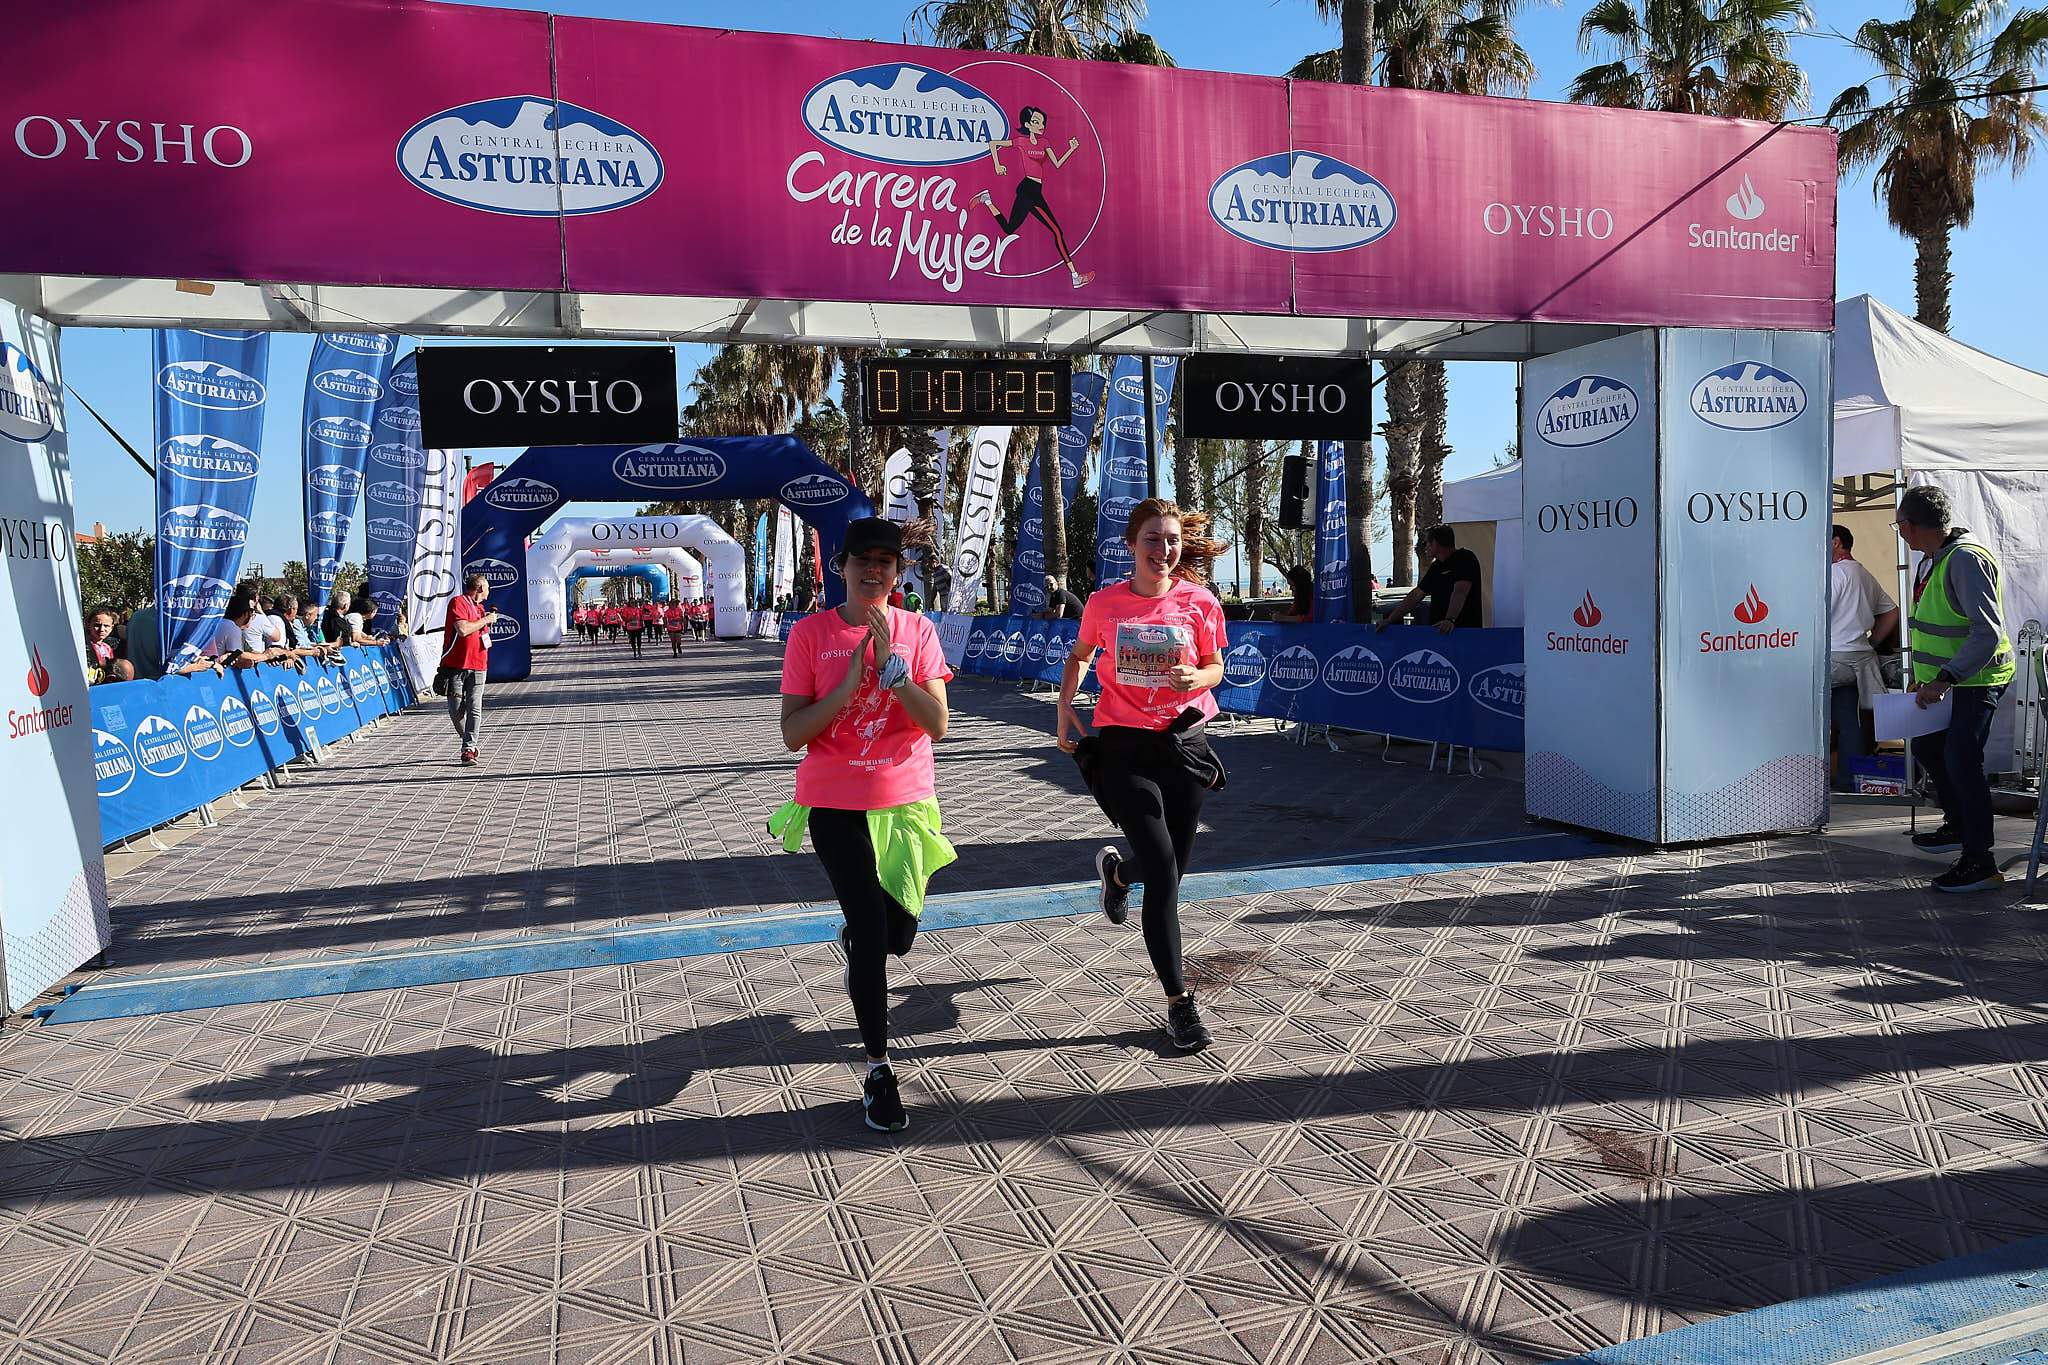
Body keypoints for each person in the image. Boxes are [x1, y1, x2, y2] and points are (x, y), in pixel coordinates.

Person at [773, 517, 954, 1133]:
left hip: (904, 802)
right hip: (834, 802)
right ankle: (879, 1069)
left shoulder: (918, 629)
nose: (873, 571)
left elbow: (937, 725)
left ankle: (861, 939)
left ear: (898, 573)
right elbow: (794, 733)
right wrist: (850, 681)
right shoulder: (811, 634)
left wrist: (893, 671)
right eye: (862, 561)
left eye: (886, 562)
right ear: (841, 567)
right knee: (872, 927)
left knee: (896, 935)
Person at [1056, 497, 1230, 1053]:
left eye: (1172, 539)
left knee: (1169, 871)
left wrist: (1194, 677)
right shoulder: (1105, 604)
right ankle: (1180, 1002)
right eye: (1152, 538)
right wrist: (1064, 708)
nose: (1164, 549)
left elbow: (1216, 666)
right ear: (1131, 545)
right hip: (1123, 747)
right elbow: (1081, 656)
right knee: (1162, 867)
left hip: (1183, 742)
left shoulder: (1200, 601)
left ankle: (1118, 876)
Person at [1896, 486, 2015, 892]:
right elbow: (1936, 625)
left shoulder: (1964, 560)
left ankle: (1980, 860)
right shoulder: (1932, 559)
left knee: (1963, 761)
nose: (1899, 533)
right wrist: (1926, 675)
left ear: (1909, 526)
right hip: (1946, 680)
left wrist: (1946, 678)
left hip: (1977, 678)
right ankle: (1958, 823)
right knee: (1930, 749)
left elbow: (1987, 633)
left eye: (1898, 524)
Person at [973, 106, 1094, 289]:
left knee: (1009, 229)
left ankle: (987, 199)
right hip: (1028, 190)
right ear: (1028, 124)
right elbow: (993, 144)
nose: (1041, 125)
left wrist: (1071, 149)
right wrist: (997, 165)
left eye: (1042, 122)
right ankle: (1075, 276)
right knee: (1056, 231)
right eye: (1036, 122)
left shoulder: (1044, 142)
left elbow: (1058, 164)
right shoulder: (1021, 141)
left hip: (1034, 191)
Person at [1828, 524, 1900, 791]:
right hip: (1858, 658)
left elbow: (1818, 614)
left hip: (1832, 657)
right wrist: (1872, 641)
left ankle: (1810, 780)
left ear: (1836, 542)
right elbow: (1892, 612)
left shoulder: (1836, 574)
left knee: (1816, 721)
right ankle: (1848, 779)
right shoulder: (1864, 574)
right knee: (1849, 722)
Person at [1376, 526, 1482, 633]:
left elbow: (1460, 591)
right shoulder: (1436, 567)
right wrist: (1389, 620)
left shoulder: (1465, 558)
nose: (1425, 547)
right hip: (1438, 632)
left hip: (1464, 632)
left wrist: (1450, 619)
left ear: (1435, 543)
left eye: (1426, 543)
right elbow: (1416, 595)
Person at [441, 573, 496, 766]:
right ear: (480, 587)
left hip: (479, 665)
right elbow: (463, 629)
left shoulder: (481, 609)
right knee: (455, 711)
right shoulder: (458, 602)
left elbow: (482, 637)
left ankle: (468, 749)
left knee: (474, 706)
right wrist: (486, 620)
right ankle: (468, 741)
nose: (489, 591)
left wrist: (485, 621)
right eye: (487, 587)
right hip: (455, 665)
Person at [83, 606, 134, 684]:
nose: (102, 629)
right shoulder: (83, 647)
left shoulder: (107, 648)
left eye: (106, 626)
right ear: (89, 625)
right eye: (97, 625)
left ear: (111, 628)